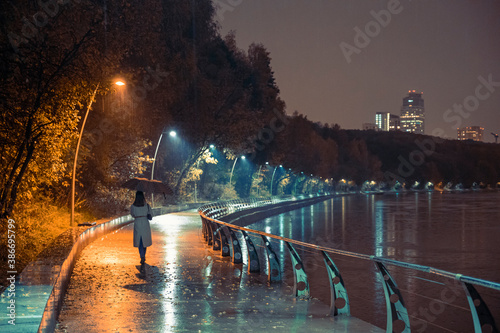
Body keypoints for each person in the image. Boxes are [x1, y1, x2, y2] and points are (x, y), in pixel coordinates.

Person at [130, 191, 153, 264]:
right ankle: (143, 255)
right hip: (145, 222)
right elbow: (151, 214)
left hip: (137, 222)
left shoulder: (133, 206)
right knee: (144, 240)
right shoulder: (147, 205)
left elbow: (132, 215)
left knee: (139, 240)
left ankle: (141, 255)